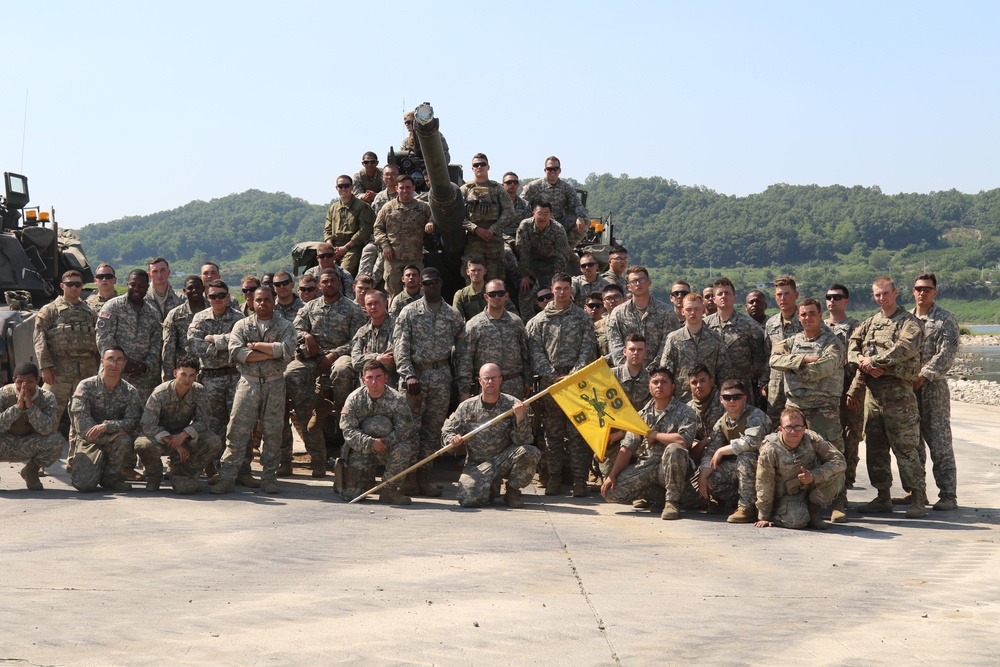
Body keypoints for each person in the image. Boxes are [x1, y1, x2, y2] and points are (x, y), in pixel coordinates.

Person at [848, 276, 926, 518]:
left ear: (895, 293)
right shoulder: (869, 323)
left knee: (905, 446)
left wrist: (875, 360)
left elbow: (906, 347)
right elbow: (852, 346)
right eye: (877, 294)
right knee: (876, 447)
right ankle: (883, 496)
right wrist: (863, 362)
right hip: (873, 394)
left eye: (885, 293)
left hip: (899, 395)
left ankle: (917, 497)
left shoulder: (908, 322)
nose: (881, 298)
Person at [211, 288, 297, 495]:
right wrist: (270, 352)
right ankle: (227, 477)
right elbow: (238, 353)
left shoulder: (285, 326)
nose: (262, 303)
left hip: (274, 383)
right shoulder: (241, 325)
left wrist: (257, 346)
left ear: (273, 301)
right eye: (258, 300)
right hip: (248, 384)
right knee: (237, 430)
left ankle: (269, 478)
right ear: (252, 302)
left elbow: (287, 351)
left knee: (273, 432)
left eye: (267, 299)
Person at [769, 298, 848, 522]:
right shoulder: (791, 341)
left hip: (823, 408)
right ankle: (798, 500)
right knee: (792, 454)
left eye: (812, 313)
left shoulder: (832, 343)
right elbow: (774, 359)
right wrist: (804, 359)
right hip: (795, 407)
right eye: (803, 314)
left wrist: (792, 367)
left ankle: (838, 502)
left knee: (833, 454)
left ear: (820, 315)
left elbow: (822, 369)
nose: (807, 318)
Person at [394, 267, 467, 497]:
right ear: (421, 286)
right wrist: (408, 375)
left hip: (441, 375)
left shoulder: (452, 315)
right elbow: (400, 346)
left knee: (432, 431)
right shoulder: (409, 312)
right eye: (426, 283)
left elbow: (462, 353)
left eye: (434, 282)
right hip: (415, 376)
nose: (430, 286)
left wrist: (462, 385)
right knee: (409, 429)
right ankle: (408, 477)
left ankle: (424, 478)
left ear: (440, 283)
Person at [286, 268, 366, 476]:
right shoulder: (310, 307)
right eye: (325, 282)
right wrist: (307, 336)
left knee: (341, 370)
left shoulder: (353, 309)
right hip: (313, 357)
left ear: (339, 284)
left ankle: (341, 411)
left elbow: (358, 339)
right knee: (291, 375)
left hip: (341, 355)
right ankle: (319, 405)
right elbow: (295, 329)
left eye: (332, 281)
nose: (329, 284)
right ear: (319, 286)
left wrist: (334, 354)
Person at [526, 272, 598, 496]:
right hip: (551, 384)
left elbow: (588, 348)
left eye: (566, 288)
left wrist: (574, 375)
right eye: (558, 288)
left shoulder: (582, 318)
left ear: (571, 290)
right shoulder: (538, 321)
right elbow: (534, 351)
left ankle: (579, 480)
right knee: (552, 434)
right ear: (552, 290)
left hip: (577, 383)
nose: (562, 292)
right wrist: (550, 375)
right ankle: (553, 478)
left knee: (578, 434)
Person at [600, 367, 698, 520]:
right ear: (649, 386)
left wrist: (655, 435)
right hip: (648, 466)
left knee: (674, 449)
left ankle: (672, 502)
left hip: (671, 468)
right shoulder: (642, 415)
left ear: (673, 386)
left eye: (664, 382)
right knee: (611, 493)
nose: (659, 386)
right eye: (655, 382)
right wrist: (611, 475)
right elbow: (628, 447)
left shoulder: (686, 412)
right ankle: (659, 497)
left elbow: (683, 441)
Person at [443, 363, 539, 508]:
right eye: (486, 378)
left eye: (494, 378)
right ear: (480, 381)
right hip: (478, 464)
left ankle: (512, 492)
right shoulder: (467, 406)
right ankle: (491, 487)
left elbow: (525, 440)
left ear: (500, 380)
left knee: (530, 452)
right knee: (468, 501)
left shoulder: (513, 405)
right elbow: (448, 430)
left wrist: (520, 418)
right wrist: (452, 439)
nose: (490, 382)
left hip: (504, 460)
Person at [187, 279, 250, 484]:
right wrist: (224, 344)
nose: (217, 299)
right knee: (213, 426)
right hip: (211, 378)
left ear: (228, 296)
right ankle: (214, 469)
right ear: (207, 297)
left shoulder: (239, 318)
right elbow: (194, 347)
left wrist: (213, 339)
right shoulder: (200, 318)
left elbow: (242, 345)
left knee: (240, 424)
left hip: (235, 376)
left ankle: (242, 470)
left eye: (221, 295)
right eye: (213, 296)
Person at [33, 270, 99, 457]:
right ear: (62, 286)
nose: (75, 288)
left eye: (78, 284)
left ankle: (76, 459)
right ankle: (40, 460)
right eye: (70, 284)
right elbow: (39, 339)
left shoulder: (89, 312)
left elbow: (96, 343)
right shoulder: (50, 310)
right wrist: (45, 367)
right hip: (58, 373)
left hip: (85, 374)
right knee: (49, 419)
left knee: (81, 419)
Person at [134, 356, 222, 494]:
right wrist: (173, 442)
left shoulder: (199, 391)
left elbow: (204, 421)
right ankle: (155, 475)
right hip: (160, 438)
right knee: (142, 444)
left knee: (213, 441)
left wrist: (184, 435)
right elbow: (147, 425)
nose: (187, 380)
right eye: (184, 374)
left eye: (192, 375)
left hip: (183, 436)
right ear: (175, 373)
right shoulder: (160, 393)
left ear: (196, 376)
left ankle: (185, 471)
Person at [909, 272, 960, 511]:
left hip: (933, 389)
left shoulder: (944, 319)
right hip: (908, 390)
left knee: (939, 443)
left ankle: (948, 494)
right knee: (912, 444)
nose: (922, 292)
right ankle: (916, 493)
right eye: (918, 288)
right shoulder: (905, 320)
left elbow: (946, 354)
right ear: (913, 291)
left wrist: (924, 374)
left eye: (927, 289)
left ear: (934, 292)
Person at [336, 360, 414, 505]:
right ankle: (353, 480)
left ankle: (388, 490)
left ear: (386, 377)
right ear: (363, 379)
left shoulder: (397, 400)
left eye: (378, 377)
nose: (374, 382)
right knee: (351, 495)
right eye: (370, 378)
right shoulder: (354, 399)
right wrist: (371, 443)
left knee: (404, 448)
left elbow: (405, 429)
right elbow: (348, 430)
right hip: (361, 449)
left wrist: (384, 443)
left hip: (387, 447)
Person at [754, 408, 846, 530]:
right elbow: (764, 482)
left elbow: (839, 461)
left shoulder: (812, 439)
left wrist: (814, 475)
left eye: (798, 427)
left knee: (838, 475)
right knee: (797, 522)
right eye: (788, 427)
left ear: (804, 428)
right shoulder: (770, 449)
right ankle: (781, 513)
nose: (793, 431)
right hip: (787, 494)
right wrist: (764, 516)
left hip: (809, 487)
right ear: (781, 429)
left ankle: (813, 512)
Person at [69, 346, 142, 492]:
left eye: (118, 360)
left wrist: (107, 426)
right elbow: (83, 428)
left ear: (124, 364)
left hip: (116, 440)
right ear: (102, 362)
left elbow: (133, 421)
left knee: (124, 441)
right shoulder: (86, 386)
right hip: (90, 440)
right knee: (84, 485)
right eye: (110, 360)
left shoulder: (130, 392)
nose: (114, 364)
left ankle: (111, 479)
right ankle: (95, 469)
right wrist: (107, 438)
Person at [699, 379, 772, 523]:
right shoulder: (721, 423)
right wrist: (703, 473)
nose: (732, 401)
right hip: (738, 468)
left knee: (746, 457)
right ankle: (731, 500)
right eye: (727, 397)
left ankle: (747, 508)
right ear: (721, 400)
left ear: (744, 398)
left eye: (737, 397)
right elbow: (711, 451)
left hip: (764, 468)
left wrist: (722, 451)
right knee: (709, 478)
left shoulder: (755, 416)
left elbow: (753, 441)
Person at [459, 279, 531, 400]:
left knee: (515, 418)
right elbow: (466, 360)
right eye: (492, 294)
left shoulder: (516, 322)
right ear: (486, 297)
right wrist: (464, 391)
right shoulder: (474, 325)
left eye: (500, 294)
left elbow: (526, 354)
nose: (497, 297)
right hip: (487, 387)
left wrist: (528, 380)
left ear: (506, 296)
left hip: (513, 385)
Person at [0, 362, 65, 490]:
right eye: (20, 382)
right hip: (4, 442)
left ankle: (31, 471)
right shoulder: (3, 394)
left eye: (29, 382)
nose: (24, 387)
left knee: (56, 441)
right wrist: (17, 408)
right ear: (14, 380)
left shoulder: (46, 397)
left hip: (29, 443)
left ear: (38, 380)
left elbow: (47, 429)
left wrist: (31, 409)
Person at [824, 284, 863, 489]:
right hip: (826, 391)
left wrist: (855, 390)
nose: (832, 301)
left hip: (848, 390)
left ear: (846, 301)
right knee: (828, 438)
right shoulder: (819, 326)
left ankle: (847, 483)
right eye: (829, 297)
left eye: (837, 297)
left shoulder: (856, 327)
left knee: (851, 437)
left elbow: (861, 362)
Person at [659, 293, 730, 402]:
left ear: (703, 310)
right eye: (689, 309)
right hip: (681, 400)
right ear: (683, 311)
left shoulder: (716, 338)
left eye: (697, 309)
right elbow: (666, 372)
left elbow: (724, 373)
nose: (693, 313)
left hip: (711, 401)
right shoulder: (673, 339)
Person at [705, 277, 766, 402]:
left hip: (741, 389)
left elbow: (760, 358)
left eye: (727, 293)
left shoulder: (750, 325)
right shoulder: (705, 326)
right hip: (712, 390)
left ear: (734, 298)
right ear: (714, 299)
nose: (723, 296)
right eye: (720, 294)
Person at [605, 266, 679, 367]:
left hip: (658, 376)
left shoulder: (666, 312)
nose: (638, 284)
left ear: (649, 282)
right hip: (626, 375)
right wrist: (628, 370)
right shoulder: (618, 313)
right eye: (634, 281)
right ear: (628, 286)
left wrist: (652, 370)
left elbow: (668, 346)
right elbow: (615, 347)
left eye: (642, 279)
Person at [373, 175, 433, 295]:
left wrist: (431, 222)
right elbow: (378, 229)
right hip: (393, 258)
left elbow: (435, 217)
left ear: (413, 188)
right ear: (396, 188)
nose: (405, 190)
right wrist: (385, 246)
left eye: (408, 187)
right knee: (394, 293)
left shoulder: (424, 207)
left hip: (414, 257)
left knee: (419, 292)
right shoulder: (387, 208)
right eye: (402, 188)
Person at [460, 153, 515, 283]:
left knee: (496, 282)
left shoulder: (497, 189)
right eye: (476, 165)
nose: (479, 167)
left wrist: (493, 229)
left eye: (482, 164)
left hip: (494, 242)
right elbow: (456, 216)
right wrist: (475, 229)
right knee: (473, 281)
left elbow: (510, 212)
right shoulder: (464, 190)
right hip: (473, 242)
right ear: (472, 168)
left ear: (488, 167)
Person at [520, 156, 589, 251]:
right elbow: (522, 203)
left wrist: (580, 217)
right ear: (545, 170)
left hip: (559, 222)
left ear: (559, 170)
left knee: (585, 219)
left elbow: (577, 204)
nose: (553, 171)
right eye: (549, 169)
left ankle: (565, 249)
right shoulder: (534, 186)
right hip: (539, 221)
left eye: (555, 169)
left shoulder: (566, 187)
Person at [762, 275, 802, 419]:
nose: (783, 298)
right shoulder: (771, 323)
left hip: (800, 385)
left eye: (787, 294)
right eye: (779, 295)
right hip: (776, 386)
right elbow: (767, 355)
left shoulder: (807, 320)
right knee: (774, 427)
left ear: (796, 295)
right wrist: (764, 382)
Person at [516, 201, 569, 299]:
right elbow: (523, 252)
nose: (543, 218)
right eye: (539, 214)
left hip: (550, 262)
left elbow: (562, 256)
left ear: (551, 215)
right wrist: (525, 275)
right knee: (525, 288)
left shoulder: (558, 229)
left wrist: (556, 279)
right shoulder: (525, 226)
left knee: (553, 291)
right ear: (533, 214)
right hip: (531, 261)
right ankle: (527, 315)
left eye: (546, 214)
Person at [326, 174, 374, 276]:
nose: (343, 189)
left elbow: (364, 230)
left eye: (346, 186)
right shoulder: (333, 208)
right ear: (336, 188)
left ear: (352, 187)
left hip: (353, 247)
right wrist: (331, 248)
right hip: (334, 247)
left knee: (344, 272)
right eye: (340, 186)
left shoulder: (362, 206)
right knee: (325, 272)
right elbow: (327, 230)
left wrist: (345, 247)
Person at [161, 276, 206, 381]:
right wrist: (168, 378)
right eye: (190, 288)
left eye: (197, 287)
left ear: (203, 289)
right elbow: (169, 350)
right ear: (184, 291)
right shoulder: (175, 315)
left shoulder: (212, 311)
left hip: (209, 372)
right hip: (185, 372)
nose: (194, 290)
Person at [351, 290, 398, 385]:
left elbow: (391, 358)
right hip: (368, 383)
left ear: (385, 303)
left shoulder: (397, 326)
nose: (373, 307)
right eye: (369, 304)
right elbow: (355, 361)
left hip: (392, 382)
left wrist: (366, 357)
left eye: (376, 303)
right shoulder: (362, 331)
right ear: (365, 307)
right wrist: (377, 358)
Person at [452, 258, 517, 322]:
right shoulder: (461, 295)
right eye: (473, 270)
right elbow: (456, 318)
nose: (476, 273)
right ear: (468, 272)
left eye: (479, 270)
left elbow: (512, 311)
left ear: (485, 271)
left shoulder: (494, 291)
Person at [686, 364, 724, 467]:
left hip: (723, 454)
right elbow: (685, 436)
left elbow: (730, 432)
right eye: (694, 382)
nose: (698, 385)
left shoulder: (726, 402)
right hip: (699, 456)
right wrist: (695, 444)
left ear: (711, 382)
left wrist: (705, 442)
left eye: (702, 381)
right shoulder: (688, 408)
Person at [145, 257, 185, 321]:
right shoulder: (142, 299)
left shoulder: (181, 299)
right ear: (149, 275)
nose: (159, 275)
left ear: (168, 272)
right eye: (155, 271)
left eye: (162, 270)